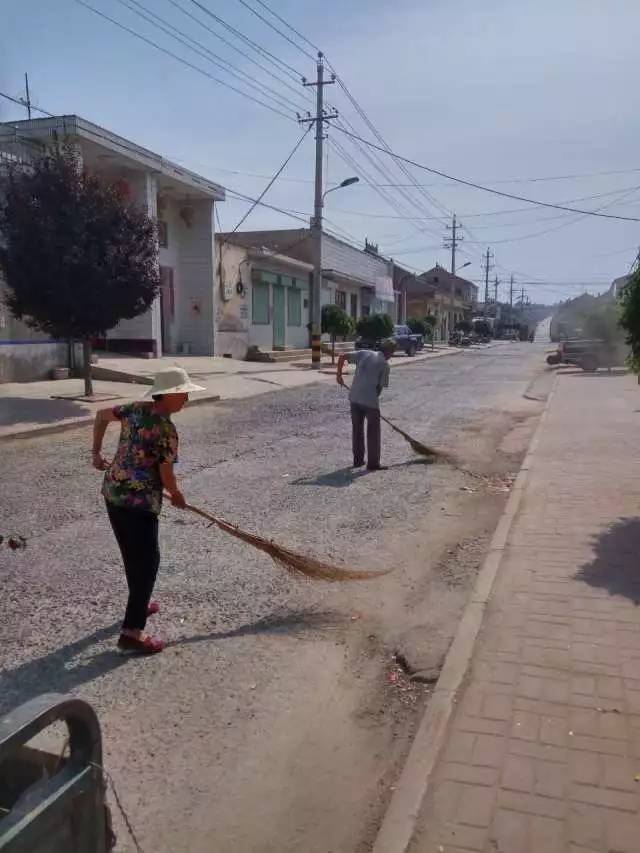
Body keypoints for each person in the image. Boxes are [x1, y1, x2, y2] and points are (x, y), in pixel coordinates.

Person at [92, 367, 204, 655]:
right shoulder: (166, 429)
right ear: (166, 395)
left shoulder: (134, 408)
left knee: (133, 556)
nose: (187, 398)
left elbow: (100, 415)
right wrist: (177, 495)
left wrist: (95, 452)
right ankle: (131, 633)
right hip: (138, 503)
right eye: (182, 393)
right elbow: (166, 474)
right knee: (148, 561)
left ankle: (139, 606)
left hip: (113, 492)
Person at [336, 339, 395, 471]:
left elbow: (341, 356)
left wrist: (338, 375)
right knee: (373, 432)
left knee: (357, 430)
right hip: (369, 401)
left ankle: (358, 461)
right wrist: (372, 400)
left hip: (354, 398)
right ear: (390, 353)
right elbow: (379, 389)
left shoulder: (364, 353)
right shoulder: (385, 365)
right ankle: (373, 464)